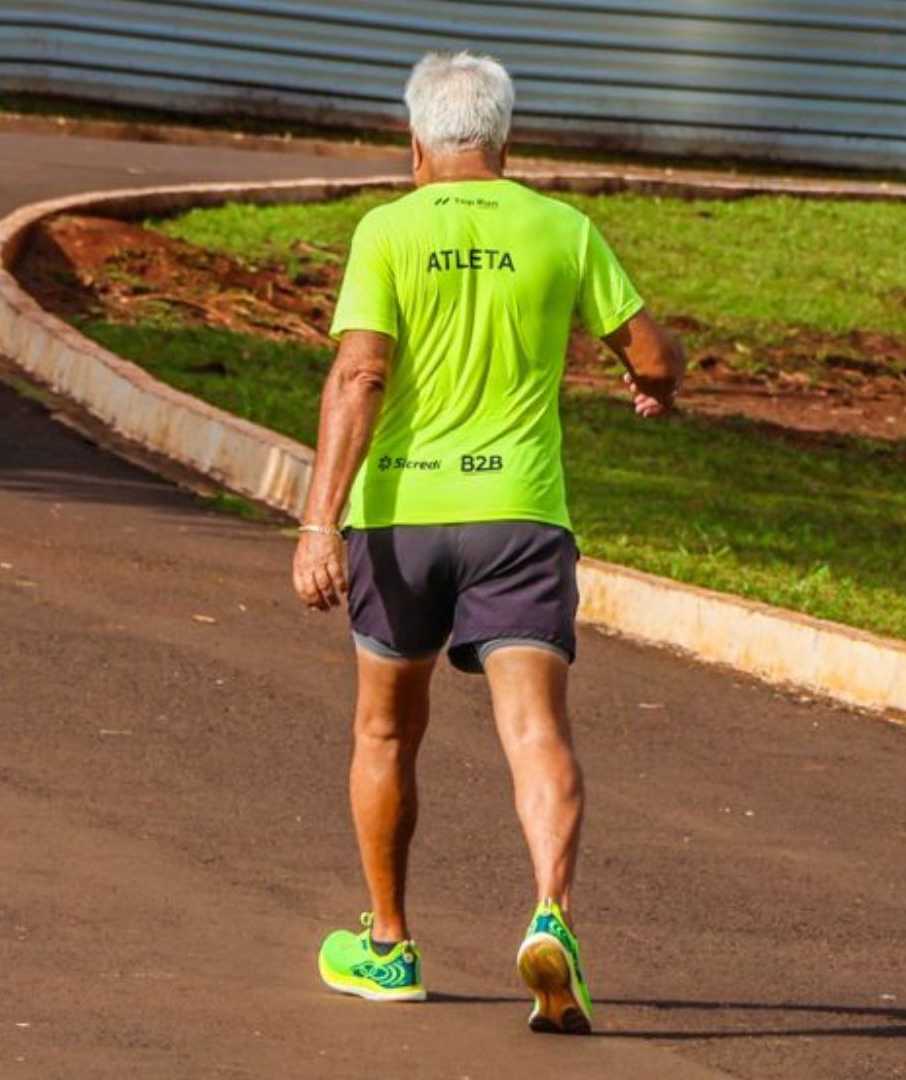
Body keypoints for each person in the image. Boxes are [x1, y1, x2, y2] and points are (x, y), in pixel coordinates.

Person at [292, 51, 685, 1035]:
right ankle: (551, 912)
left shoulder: (386, 229)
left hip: (400, 521)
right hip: (519, 516)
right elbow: (651, 350)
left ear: (416, 144)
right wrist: (657, 386)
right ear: (507, 143)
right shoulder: (561, 228)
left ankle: (388, 947)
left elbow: (360, 378)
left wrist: (317, 522)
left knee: (386, 730)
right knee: (534, 731)